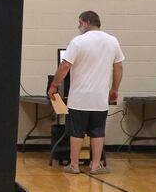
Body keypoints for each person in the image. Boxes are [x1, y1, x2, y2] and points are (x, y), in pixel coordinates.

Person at [48, 11, 124, 174]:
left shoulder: (78, 41)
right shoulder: (112, 41)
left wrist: (54, 84)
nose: (78, 26)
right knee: (98, 131)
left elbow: (65, 66)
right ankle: (95, 165)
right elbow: (118, 67)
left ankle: (74, 165)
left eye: (80, 23)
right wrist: (115, 89)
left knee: (76, 131)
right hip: (100, 98)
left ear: (86, 22)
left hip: (79, 97)